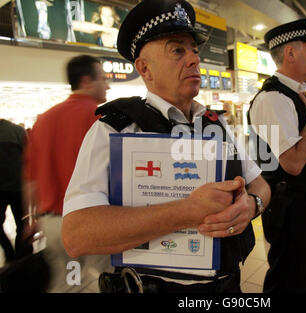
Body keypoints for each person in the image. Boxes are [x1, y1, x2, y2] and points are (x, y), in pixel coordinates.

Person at [61, 0, 270, 293]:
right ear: (144, 68)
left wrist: (252, 205)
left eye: (195, 51)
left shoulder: (215, 125)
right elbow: (76, 235)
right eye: (177, 50)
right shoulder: (114, 130)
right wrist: (189, 210)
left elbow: (260, 184)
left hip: (227, 285)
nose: (195, 60)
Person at [248, 18, 306, 293]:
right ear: (290, 53)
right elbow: (294, 162)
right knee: (289, 279)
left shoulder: (296, 94)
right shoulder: (273, 99)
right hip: (290, 208)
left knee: (305, 275)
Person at [22, 54, 112, 292]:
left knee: (69, 283)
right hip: (91, 222)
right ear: (86, 81)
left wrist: (30, 220)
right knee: (105, 282)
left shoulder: (43, 120)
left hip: (52, 225)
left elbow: (30, 179)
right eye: (103, 79)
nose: (108, 85)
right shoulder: (101, 118)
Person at [0, 119, 32, 264]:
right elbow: (30, 158)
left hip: (6, 189)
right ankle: (21, 257)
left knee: (22, 224)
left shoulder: (17, 131)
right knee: (23, 224)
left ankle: (11, 254)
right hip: (20, 187)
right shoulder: (17, 131)